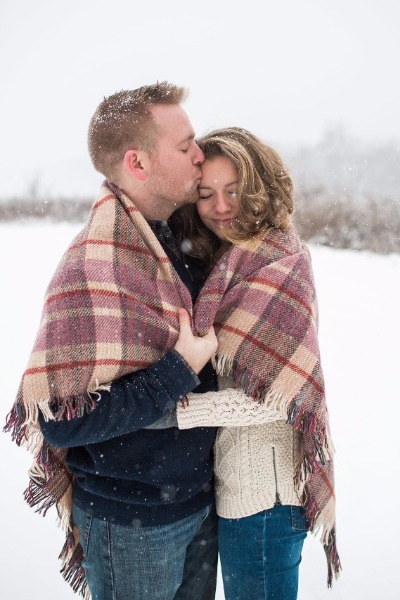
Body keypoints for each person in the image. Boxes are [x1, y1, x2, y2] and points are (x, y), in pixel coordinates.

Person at [4, 82, 220, 600]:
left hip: (200, 504)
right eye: (185, 144)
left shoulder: (183, 244)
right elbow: (61, 419)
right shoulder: (91, 266)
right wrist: (178, 369)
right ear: (137, 163)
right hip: (132, 525)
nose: (200, 154)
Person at [171, 127, 341, 599]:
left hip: (266, 494)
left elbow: (276, 398)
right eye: (206, 194)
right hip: (238, 484)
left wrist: (176, 412)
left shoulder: (282, 262)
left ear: (260, 189)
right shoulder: (229, 262)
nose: (221, 207)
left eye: (234, 192)